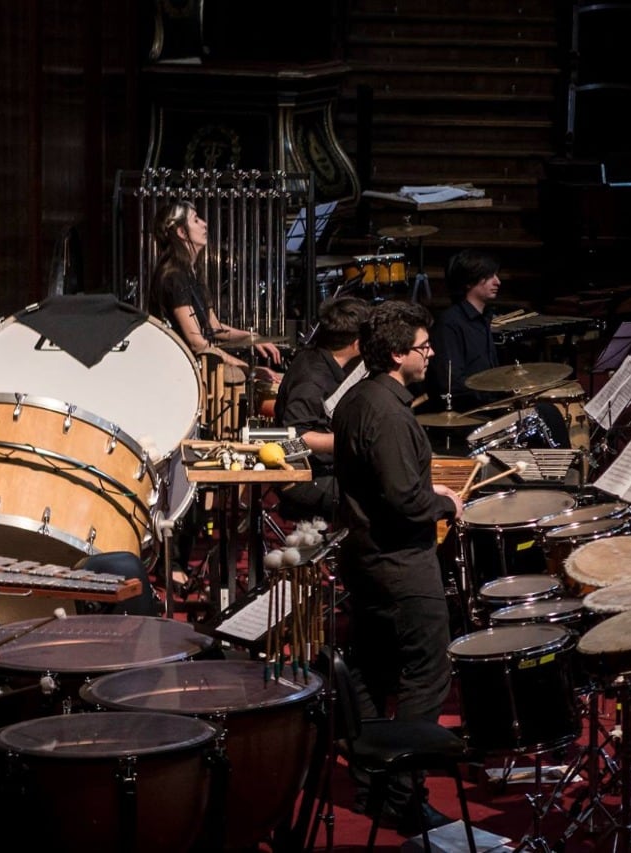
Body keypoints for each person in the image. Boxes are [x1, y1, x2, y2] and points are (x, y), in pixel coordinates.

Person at [332, 300, 463, 833]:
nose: (430, 355)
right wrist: (444, 503)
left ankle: (372, 788)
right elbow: (404, 501)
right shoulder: (387, 412)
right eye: (422, 347)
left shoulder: (357, 399)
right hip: (401, 566)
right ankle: (401, 797)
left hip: (367, 559)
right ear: (394, 353)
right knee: (425, 676)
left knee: (371, 672)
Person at [423, 249, 571, 448]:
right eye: (489, 276)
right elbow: (450, 384)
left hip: (488, 408)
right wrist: (495, 397)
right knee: (545, 418)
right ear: (469, 281)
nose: (497, 281)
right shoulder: (450, 324)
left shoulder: (484, 320)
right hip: (468, 416)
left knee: (547, 414)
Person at [146, 200, 282, 375]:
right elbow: (197, 343)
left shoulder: (191, 272)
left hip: (193, 367)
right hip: (179, 371)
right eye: (196, 220)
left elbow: (214, 326)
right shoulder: (174, 276)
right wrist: (247, 369)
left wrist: (251, 337)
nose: (204, 224)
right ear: (181, 232)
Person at [272, 295, 371, 521]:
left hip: (327, 468)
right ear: (357, 343)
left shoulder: (324, 360)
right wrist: (353, 442)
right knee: (377, 500)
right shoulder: (312, 378)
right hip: (303, 476)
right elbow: (296, 437)